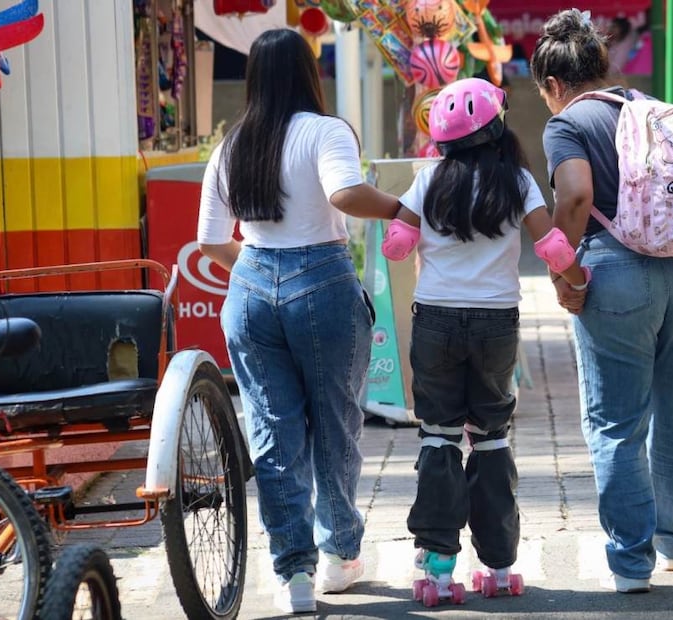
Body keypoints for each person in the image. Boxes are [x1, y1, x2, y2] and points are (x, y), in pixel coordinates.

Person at [196, 29, 400, 615]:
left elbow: (210, 240)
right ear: (310, 74)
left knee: (273, 430)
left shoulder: (231, 144)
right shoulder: (325, 130)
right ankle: (339, 555)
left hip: (251, 285)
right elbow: (345, 195)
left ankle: (296, 577)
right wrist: (402, 207)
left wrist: (259, 272)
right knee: (335, 423)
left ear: (254, 78)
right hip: (324, 283)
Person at [529, 9, 673, 594]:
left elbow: (577, 195)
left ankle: (630, 564)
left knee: (614, 424)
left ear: (554, 85)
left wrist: (568, 272)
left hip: (617, 277)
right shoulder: (652, 109)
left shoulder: (567, 123)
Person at [380, 77, 588, 599]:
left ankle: (438, 567)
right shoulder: (517, 181)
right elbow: (553, 246)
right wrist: (578, 281)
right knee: (492, 438)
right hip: (497, 323)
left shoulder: (428, 180)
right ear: (498, 130)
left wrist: (411, 232)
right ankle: (498, 567)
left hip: (436, 323)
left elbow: (398, 245)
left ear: (441, 139)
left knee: (439, 437)